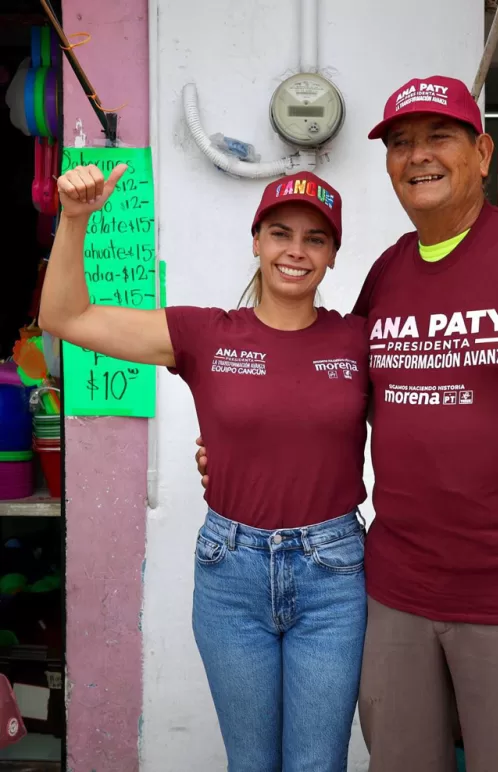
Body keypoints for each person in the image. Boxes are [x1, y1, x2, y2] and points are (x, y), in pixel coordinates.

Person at [197, 74, 498, 771]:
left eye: (439, 137)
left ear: (482, 152)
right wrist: (239, 447)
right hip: (394, 595)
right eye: (400, 143)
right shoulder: (388, 273)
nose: (417, 155)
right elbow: (330, 396)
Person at [39, 167, 369, 772]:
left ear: (332, 255)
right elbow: (67, 318)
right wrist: (74, 218)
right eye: (280, 233)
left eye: (315, 239)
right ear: (256, 241)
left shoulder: (359, 340)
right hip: (231, 573)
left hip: (334, 576)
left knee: (317, 765)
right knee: (250, 763)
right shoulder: (205, 333)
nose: (295, 251)